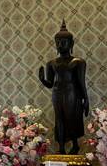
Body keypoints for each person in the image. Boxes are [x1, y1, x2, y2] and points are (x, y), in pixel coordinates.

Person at [38, 21, 88, 155]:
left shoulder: (78, 62)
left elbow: (81, 83)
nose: (60, 44)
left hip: (72, 93)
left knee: (71, 117)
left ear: (71, 44)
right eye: (58, 42)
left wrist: (86, 100)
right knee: (59, 118)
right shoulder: (51, 63)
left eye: (64, 42)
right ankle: (61, 148)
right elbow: (50, 84)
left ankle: (75, 145)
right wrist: (43, 80)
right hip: (56, 93)